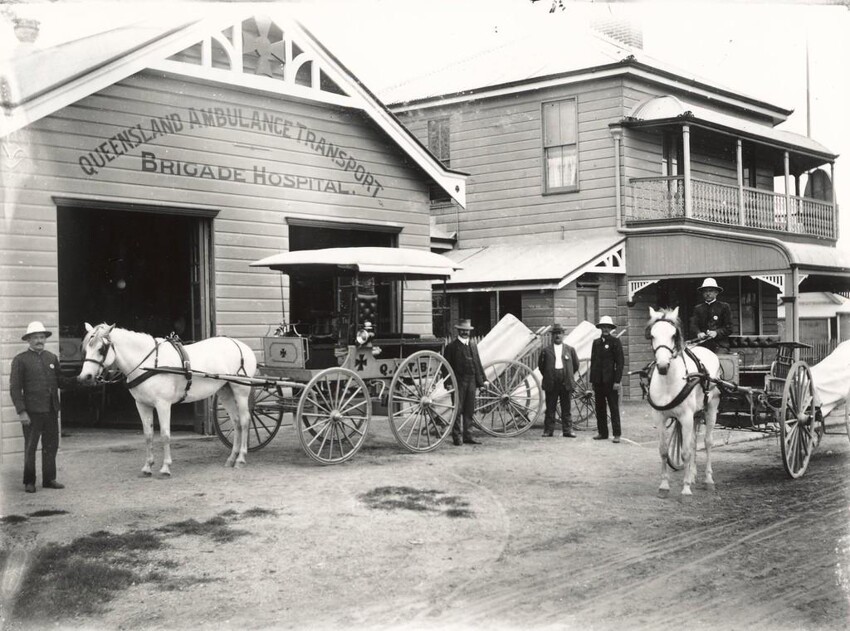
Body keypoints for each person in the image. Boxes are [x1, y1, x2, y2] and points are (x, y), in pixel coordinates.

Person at [10, 321, 71, 493]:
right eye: (35, 337)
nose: (39, 340)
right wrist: (21, 411)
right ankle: (29, 481)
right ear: (28, 340)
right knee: (30, 447)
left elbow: (61, 381)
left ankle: (49, 479)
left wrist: (79, 380)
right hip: (31, 412)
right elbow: (15, 388)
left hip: (51, 410)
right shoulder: (20, 360)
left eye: (42, 337)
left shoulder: (51, 358)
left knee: (51, 446)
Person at [443, 318, 488, 446]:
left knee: (469, 410)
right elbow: (445, 367)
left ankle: (468, 436)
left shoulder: (473, 345)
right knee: (457, 410)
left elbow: (478, 364)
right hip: (458, 382)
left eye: (467, 330)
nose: (465, 332)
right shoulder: (451, 347)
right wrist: (448, 383)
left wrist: (483, 380)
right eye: (462, 330)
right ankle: (457, 437)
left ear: (469, 331)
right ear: (458, 331)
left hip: (472, 381)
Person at [538, 323, 580, 437]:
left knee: (566, 407)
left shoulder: (570, 350)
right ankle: (548, 430)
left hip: (565, 382)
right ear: (552, 335)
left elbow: (576, 365)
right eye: (555, 333)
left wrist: (567, 375)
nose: (558, 336)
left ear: (563, 335)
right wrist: (550, 375)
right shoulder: (546, 351)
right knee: (550, 407)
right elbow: (541, 366)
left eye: (560, 333)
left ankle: (568, 430)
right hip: (551, 382)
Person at [590, 316, 625, 443]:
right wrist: (593, 381)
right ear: (600, 328)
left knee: (613, 408)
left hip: (610, 382)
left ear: (611, 329)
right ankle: (602, 433)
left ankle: (616, 434)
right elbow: (593, 362)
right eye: (603, 326)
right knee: (600, 408)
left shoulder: (615, 342)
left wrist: (617, 381)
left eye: (607, 327)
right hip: (598, 381)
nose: (605, 329)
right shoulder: (596, 343)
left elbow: (620, 363)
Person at [689, 277, 733, 353]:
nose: (708, 294)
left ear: (716, 292)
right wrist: (698, 333)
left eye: (711, 291)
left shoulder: (724, 307)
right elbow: (693, 325)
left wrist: (716, 332)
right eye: (705, 291)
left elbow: (729, 328)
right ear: (702, 293)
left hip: (720, 345)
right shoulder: (698, 308)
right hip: (702, 345)